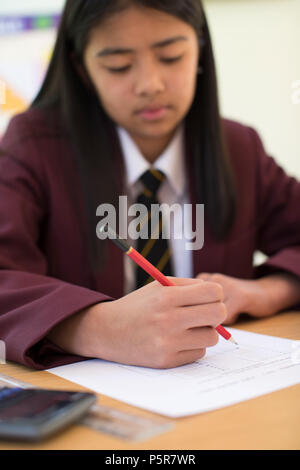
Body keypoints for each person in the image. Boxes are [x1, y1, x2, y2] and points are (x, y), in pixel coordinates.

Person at [1, 0, 300, 371]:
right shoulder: (32, 148)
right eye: (118, 66)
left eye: (171, 57)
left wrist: (269, 292)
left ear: (200, 49)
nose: (150, 85)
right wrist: (95, 326)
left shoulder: (238, 147)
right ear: (82, 69)